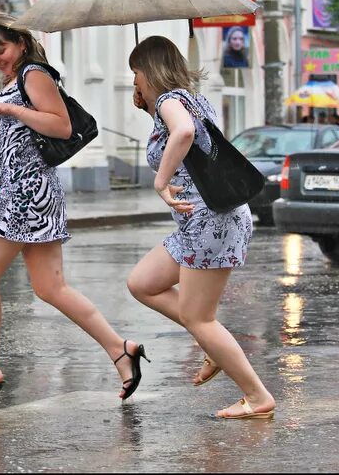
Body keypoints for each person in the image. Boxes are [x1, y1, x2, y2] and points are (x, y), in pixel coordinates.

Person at [0, 12, 149, 406]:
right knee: (50, 287)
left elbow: (59, 126)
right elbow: (34, 122)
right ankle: (120, 350)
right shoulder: (17, 79)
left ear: (21, 43)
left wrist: (10, 113)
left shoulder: (33, 74)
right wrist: (2, 132)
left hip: (25, 193)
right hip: (30, 191)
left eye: (0, 49)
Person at [127, 35, 275, 419]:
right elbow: (187, 137)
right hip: (205, 220)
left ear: (150, 71)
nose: (135, 82)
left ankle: (257, 397)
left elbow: (185, 134)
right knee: (142, 283)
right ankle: (213, 344)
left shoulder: (168, 101)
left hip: (210, 220)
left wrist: (160, 182)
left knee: (199, 317)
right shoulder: (190, 99)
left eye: (136, 73)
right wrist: (150, 112)